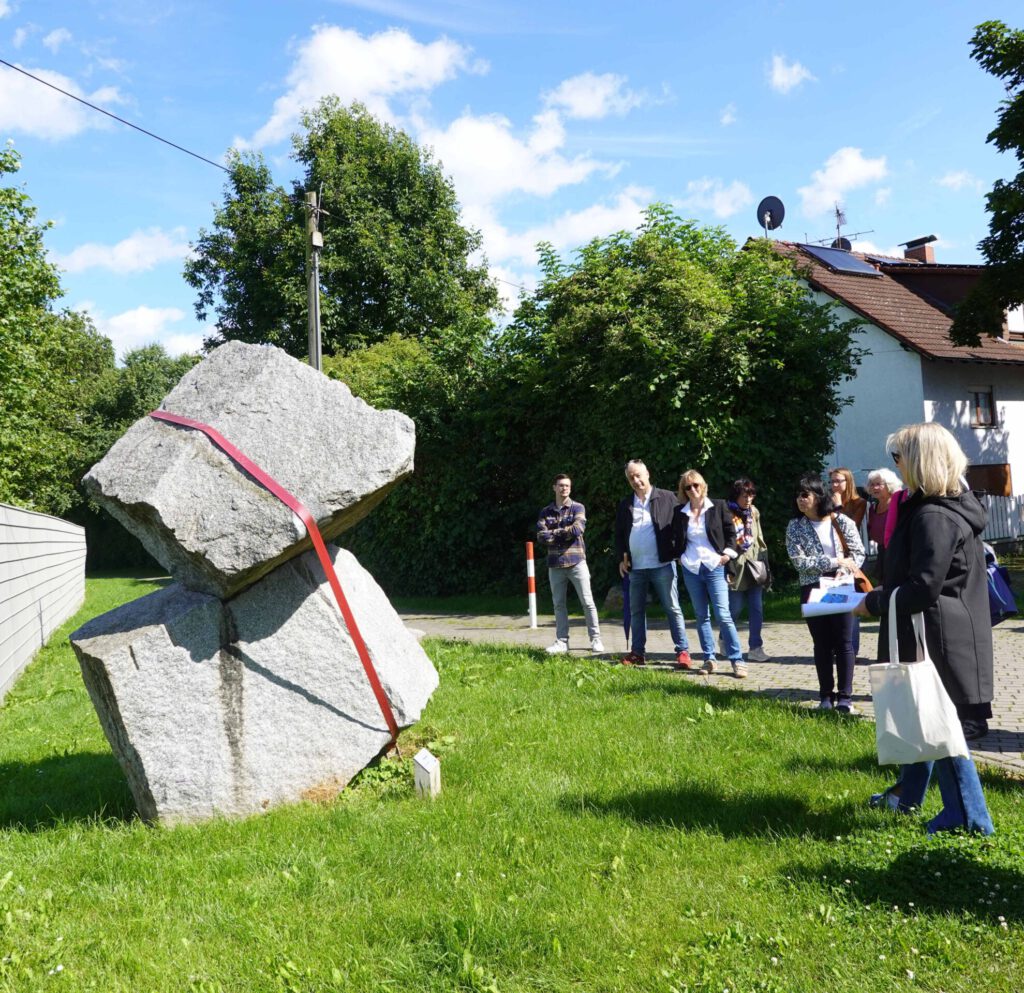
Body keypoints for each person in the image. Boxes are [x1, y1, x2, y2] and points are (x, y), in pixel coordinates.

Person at [854, 423, 994, 834]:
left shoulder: (934, 514)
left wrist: (874, 602)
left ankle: (969, 818)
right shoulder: (939, 505)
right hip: (939, 630)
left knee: (942, 728)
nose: (895, 465)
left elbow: (923, 586)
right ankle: (908, 797)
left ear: (918, 461)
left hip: (938, 635)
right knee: (922, 715)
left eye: (899, 458)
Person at [785, 473, 865, 713]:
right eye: (798, 495)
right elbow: (800, 562)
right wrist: (834, 561)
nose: (800, 500)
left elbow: (859, 553)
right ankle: (825, 696)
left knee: (844, 642)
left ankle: (845, 698)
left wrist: (844, 569)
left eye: (805, 495)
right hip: (812, 588)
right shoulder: (795, 526)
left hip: (841, 584)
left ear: (819, 496)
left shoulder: (841, 522)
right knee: (821, 644)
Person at [614, 459, 691, 668]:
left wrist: (679, 552)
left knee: (672, 608)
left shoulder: (667, 498)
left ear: (647, 473)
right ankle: (637, 653)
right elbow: (620, 535)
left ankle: (682, 651)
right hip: (636, 568)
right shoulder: (626, 504)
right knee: (636, 611)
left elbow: (682, 527)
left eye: (638, 475)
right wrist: (622, 558)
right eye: (631, 477)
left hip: (663, 565)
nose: (636, 480)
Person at [672, 470, 745, 677]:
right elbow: (677, 538)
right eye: (688, 487)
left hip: (715, 566)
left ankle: (737, 659)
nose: (693, 489)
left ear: (703, 485)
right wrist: (680, 558)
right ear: (684, 491)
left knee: (723, 614)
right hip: (692, 568)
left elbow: (732, 534)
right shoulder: (680, 512)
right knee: (701, 615)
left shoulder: (719, 506)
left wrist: (727, 555)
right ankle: (709, 659)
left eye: (696, 485)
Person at [537, 474, 604, 655]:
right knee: (559, 605)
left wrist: (555, 532)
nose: (564, 488)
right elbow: (542, 536)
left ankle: (596, 638)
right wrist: (563, 533)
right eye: (560, 485)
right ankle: (562, 642)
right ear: (554, 488)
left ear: (570, 488)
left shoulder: (578, 507)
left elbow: (577, 529)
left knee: (587, 602)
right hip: (555, 564)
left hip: (577, 562)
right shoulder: (546, 512)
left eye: (567, 486)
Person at [725, 477, 770, 663]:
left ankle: (755, 647)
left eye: (751, 495)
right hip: (735, 566)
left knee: (756, 608)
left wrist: (765, 562)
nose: (749, 500)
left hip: (755, 565)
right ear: (736, 496)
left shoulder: (754, 512)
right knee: (734, 609)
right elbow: (724, 542)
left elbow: (759, 538)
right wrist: (727, 568)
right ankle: (725, 640)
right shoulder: (726, 513)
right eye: (745, 496)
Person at [865, 466, 902, 581]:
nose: (874, 487)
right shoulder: (873, 507)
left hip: (898, 554)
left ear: (889, 485)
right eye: (872, 484)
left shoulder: (899, 504)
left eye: (879, 484)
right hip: (882, 553)